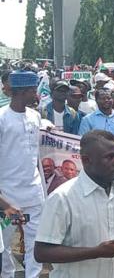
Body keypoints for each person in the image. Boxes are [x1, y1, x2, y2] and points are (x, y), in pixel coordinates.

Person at [34, 131, 114, 277]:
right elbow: (42, 252)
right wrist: (97, 252)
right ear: (86, 160)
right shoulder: (62, 198)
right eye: (110, 157)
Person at [0, 70, 44, 278]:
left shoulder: (36, 116)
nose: (36, 94)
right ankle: (7, 274)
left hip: (34, 191)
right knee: (5, 243)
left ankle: (33, 275)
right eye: (33, 90)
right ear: (22, 92)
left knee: (35, 240)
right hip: (7, 194)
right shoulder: (1, 119)